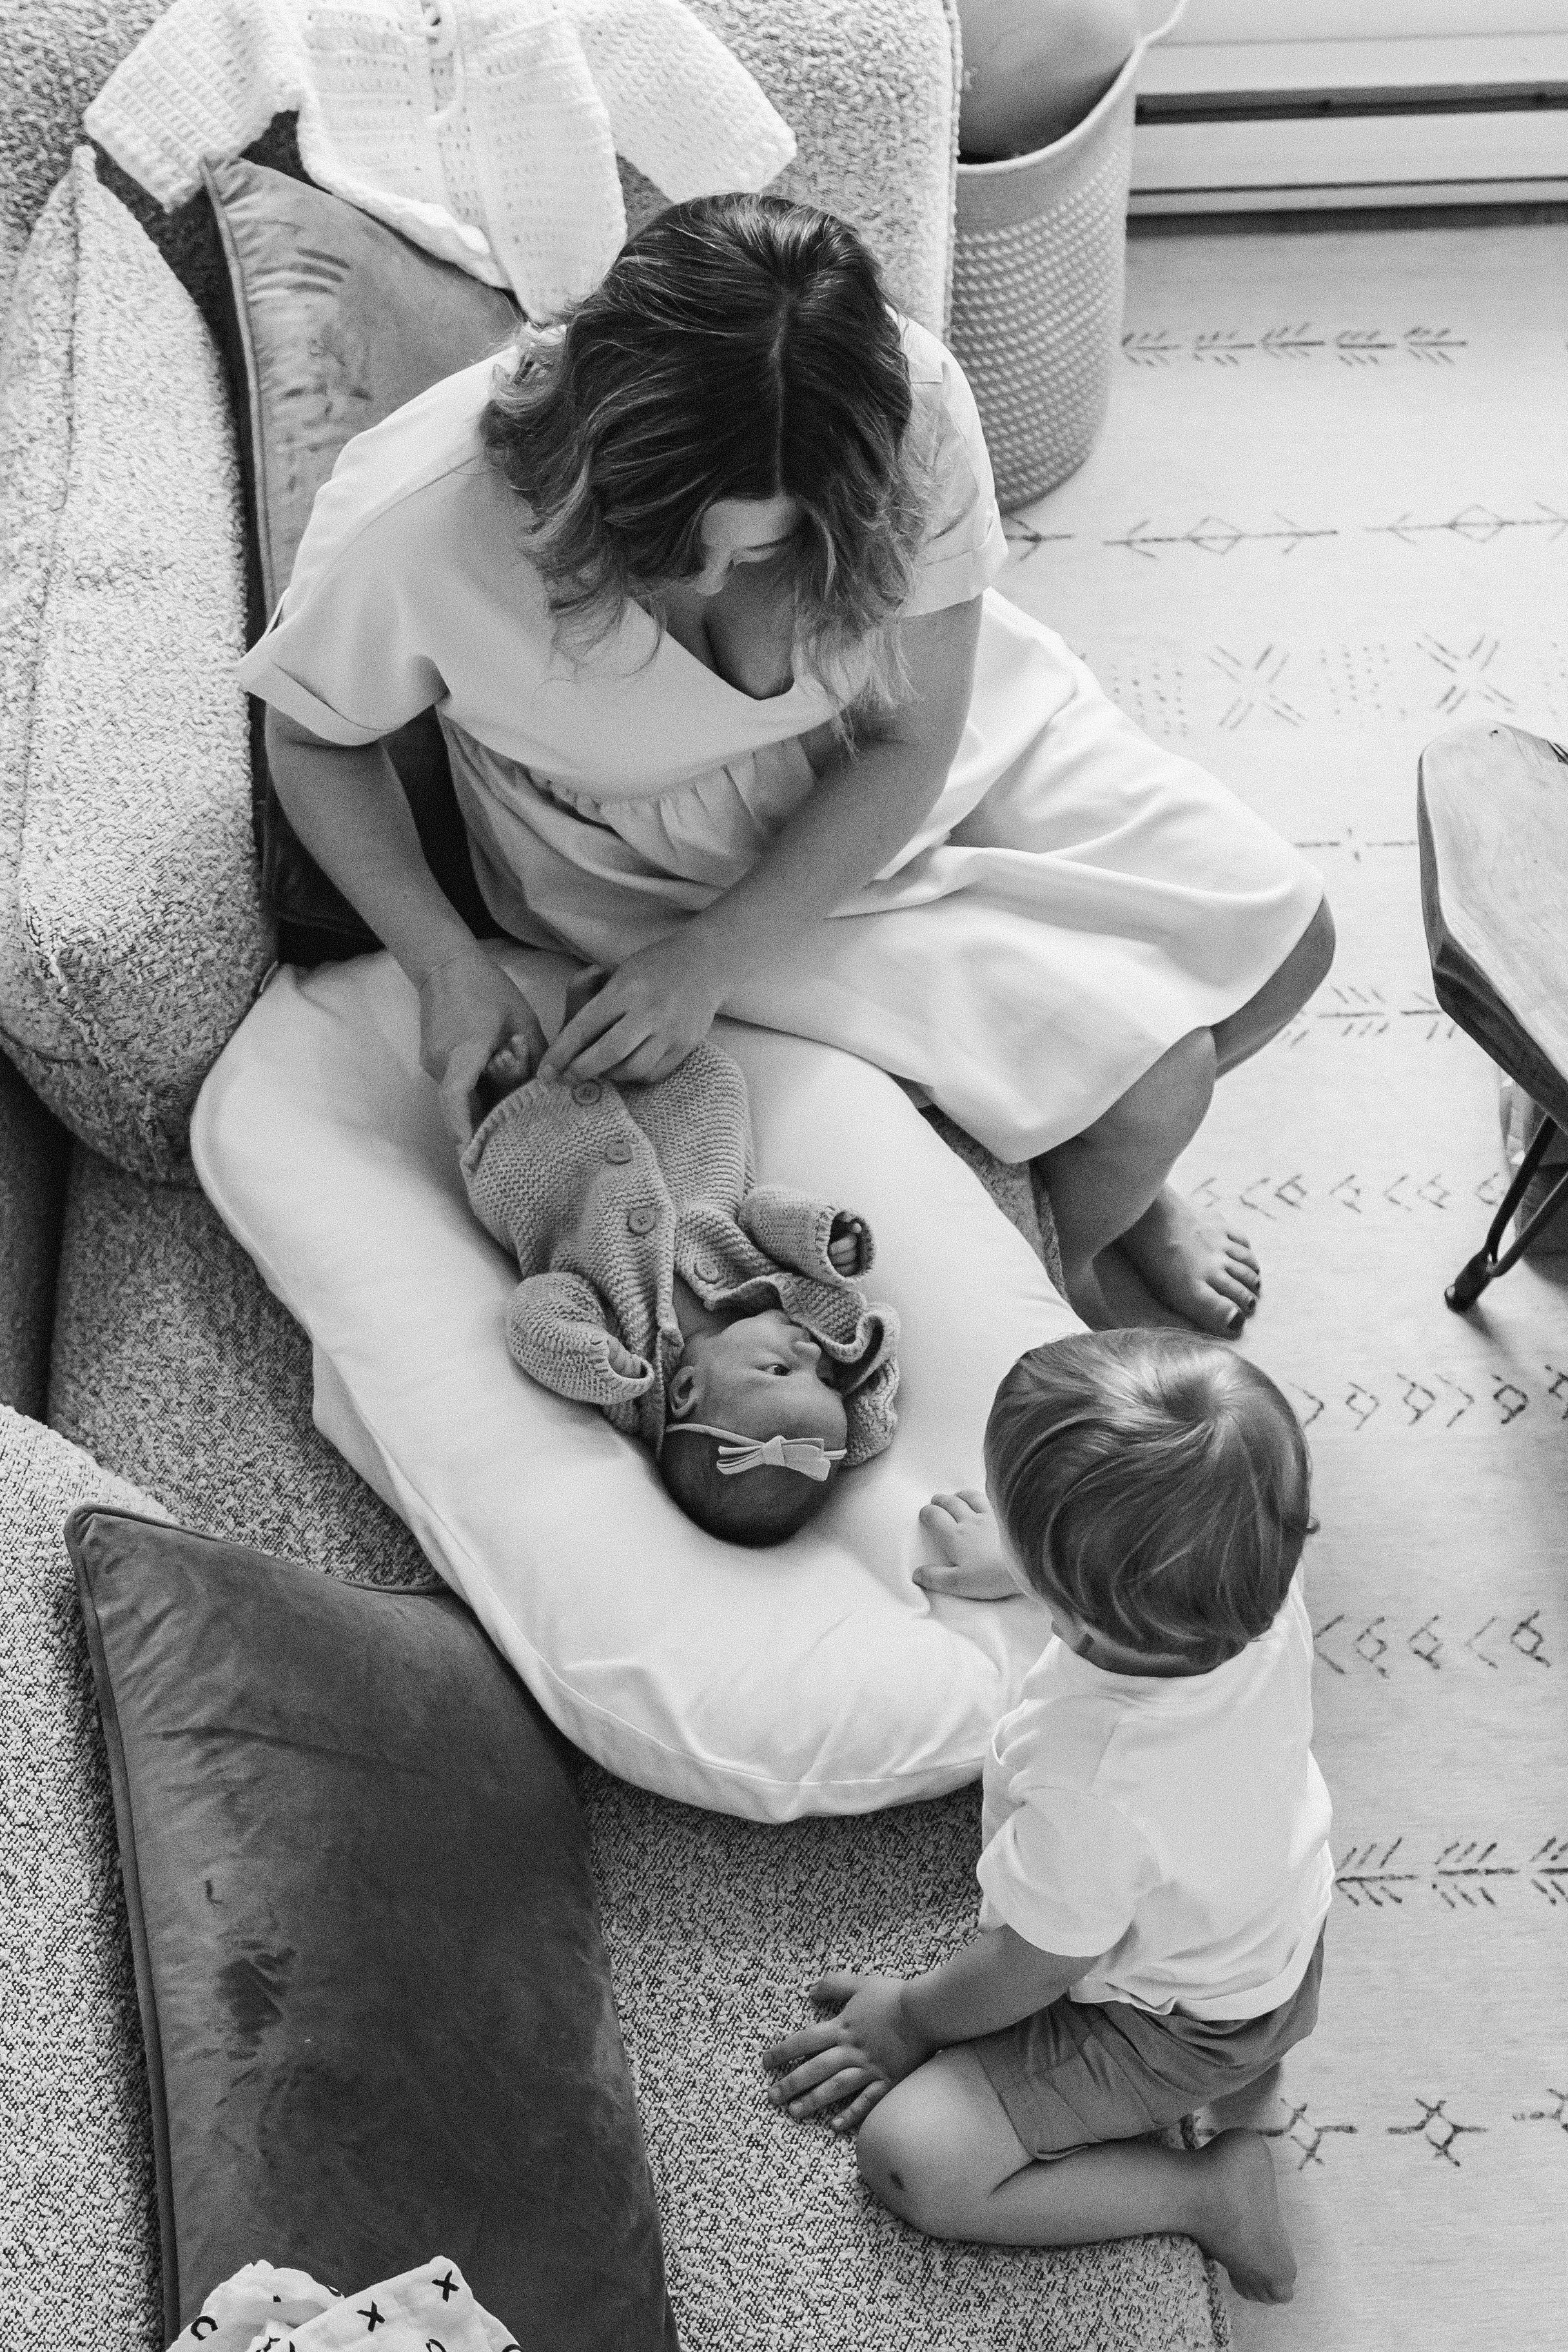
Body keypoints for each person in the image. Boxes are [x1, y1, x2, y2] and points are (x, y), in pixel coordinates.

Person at [243, 192, 1335, 1338]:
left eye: (762, 546)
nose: (712, 585)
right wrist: (442, 962)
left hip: (915, 739)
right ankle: (1069, 1259)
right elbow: (314, 736)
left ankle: (1109, 1175)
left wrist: (717, 964)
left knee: (1288, 945)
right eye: (664, 545)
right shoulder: (420, 521)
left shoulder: (910, 408)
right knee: (1158, 1085)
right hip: (657, 857)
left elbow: (916, 737)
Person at [761, 1330, 1333, 2305]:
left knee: (912, 2158)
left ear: (1079, 1615)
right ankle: (1242, 2086)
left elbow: (1034, 1962)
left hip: (1170, 2027)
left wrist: (911, 2016)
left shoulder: (1097, 1782)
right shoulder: (1256, 1595)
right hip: (1283, 1942)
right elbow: (1161, 1555)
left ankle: (1207, 2193)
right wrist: (1037, 1566)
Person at [463, 1017, 897, 1545]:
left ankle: (519, 1087)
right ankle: (608, 1037)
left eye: (782, 1369)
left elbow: (536, 1309)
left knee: (530, 1167)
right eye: (827, 1380)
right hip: (687, 1151)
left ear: (688, 1390)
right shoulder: (763, 1289)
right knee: (713, 1087)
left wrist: (589, 1353)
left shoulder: (633, 1372)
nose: (811, 1353)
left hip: (572, 1190)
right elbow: (760, 1213)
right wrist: (820, 1239)